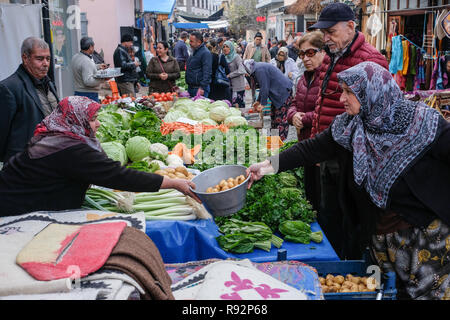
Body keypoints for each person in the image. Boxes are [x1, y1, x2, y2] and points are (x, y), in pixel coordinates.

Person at [247, 61, 450, 300]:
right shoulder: (350, 127)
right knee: (386, 292)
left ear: (374, 92)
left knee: (431, 295)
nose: (342, 98)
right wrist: (268, 166)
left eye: (349, 92)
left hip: (425, 234)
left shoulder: (424, 123)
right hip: (379, 235)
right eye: (342, 90)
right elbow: (310, 149)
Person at [0, 96, 200, 218]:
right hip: (16, 208)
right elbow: (119, 176)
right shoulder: (72, 150)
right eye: (93, 119)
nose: (98, 124)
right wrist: (172, 183)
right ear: (77, 120)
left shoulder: (57, 135)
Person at [307, 2, 389, 258]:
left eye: (331, 31)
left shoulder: (370, 59)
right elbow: (322, 104)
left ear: (351, 26)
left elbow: (380, 113)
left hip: (353, 157)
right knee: (328, 215)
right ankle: (333, 269)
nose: (326, 38)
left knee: (351, 220)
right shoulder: (330, 57)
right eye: (324, 33)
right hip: (327, 152)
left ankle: (353, 271)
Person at [0, 37, 59, 164]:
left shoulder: (49, 84)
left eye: (48, 59)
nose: (45, 64)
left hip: (50, 157)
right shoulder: (9, 87)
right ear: (25, 58)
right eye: (39, 58)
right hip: (23, 163)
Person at [286, 30, 326, 212]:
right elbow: (293, 103)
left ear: (323, 52)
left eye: (311, 53)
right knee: (310, 192)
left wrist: (304, 118)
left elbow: (328, 110)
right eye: (302, 54)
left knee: (322, 196)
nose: (305, 58)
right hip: (305, 144)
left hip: (322, 147)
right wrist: (293, 115)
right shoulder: (302, 79)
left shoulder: (328, 79)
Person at [243, 59, 293, 141]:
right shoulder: (257, 68)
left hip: (282, 92)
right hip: (277, 93)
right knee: (274, 116)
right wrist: (258, 101)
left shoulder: (259, 69)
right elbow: (264, 87)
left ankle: (279, 143)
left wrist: (262, 104)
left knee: (280, 118)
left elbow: (264, 87)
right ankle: (273, 140)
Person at [71, 37, 108, 102]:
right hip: (88, 95)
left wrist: (98, 66)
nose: (94, 49)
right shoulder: (86, 61)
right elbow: (88, 81)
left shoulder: (76, 57)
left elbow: (83, 68)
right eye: (93, 46)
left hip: (78, 92)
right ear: (90, 47)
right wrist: (103, 79)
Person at [185, 31, 212, 98]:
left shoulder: (205, 53)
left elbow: (207, 72)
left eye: (191, 41)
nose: (189, 43)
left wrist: (202, 87)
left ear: (199, 42)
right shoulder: (194, 51)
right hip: (192, 87)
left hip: (199, 89)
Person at [223, 40, 247, 109]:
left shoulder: (236, 57)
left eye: (227, 47)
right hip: (229, 87)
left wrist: (230, 75)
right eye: (224, 47)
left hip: (238, 86)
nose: (225, 48)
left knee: (239, 109)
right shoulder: (224, 58)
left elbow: (241, 70)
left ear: (231, 48)